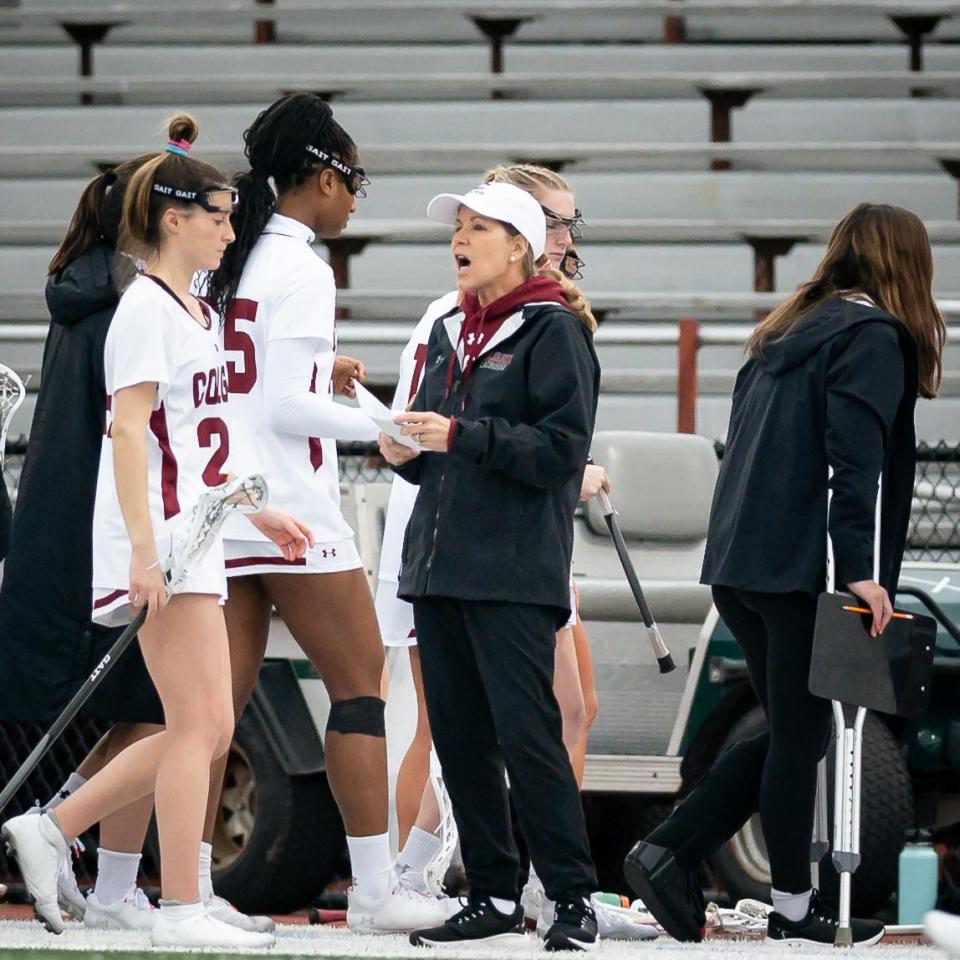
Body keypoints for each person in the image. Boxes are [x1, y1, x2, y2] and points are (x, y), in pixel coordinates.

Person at [1, 114, 312, 949]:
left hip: (197, 532)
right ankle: (155, 889)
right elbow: (129, 434)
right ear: (175, 219)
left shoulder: (194, 307)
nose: (230, 228)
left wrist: (259, 508)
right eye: (218, 214)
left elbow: (205, 436)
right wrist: (143, 553)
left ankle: (71, 836)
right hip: (163, 540)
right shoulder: (143, 308)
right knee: (193, 728)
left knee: (200, 728)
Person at [624, 203, 946, 947]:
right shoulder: (872, 338)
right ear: (908, 266)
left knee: (795, 734)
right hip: (799, 572)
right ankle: (784, 906)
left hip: (742, 565)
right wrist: (862, 574)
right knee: (800, 737)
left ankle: (672, 851)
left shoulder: (784, 333)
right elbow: (851, 466)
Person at [203, 92, 446, 935]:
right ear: (317, 173)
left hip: (222, 505)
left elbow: (249, 387)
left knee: (210, 714)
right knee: (358, 693)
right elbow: (287, 409)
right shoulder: (302, 264)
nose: (353, 199)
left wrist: (336, 393)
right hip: (293, 509)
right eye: (354, 181)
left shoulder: (223, 252)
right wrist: (386, 428)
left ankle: (176, 891)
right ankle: (376, 891)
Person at [379, 181, 601, 950]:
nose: (459, 240)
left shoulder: (554, 331)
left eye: (478, 227)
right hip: (438, 572)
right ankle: (495, 895)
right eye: (457, 227)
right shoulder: (451, 331)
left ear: (521, 245)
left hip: (512, 572)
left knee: (529, 738)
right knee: (462, 744)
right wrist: (403, 452)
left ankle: (571, 898)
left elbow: (562, 453)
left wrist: (462, 437)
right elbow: (436, 453)